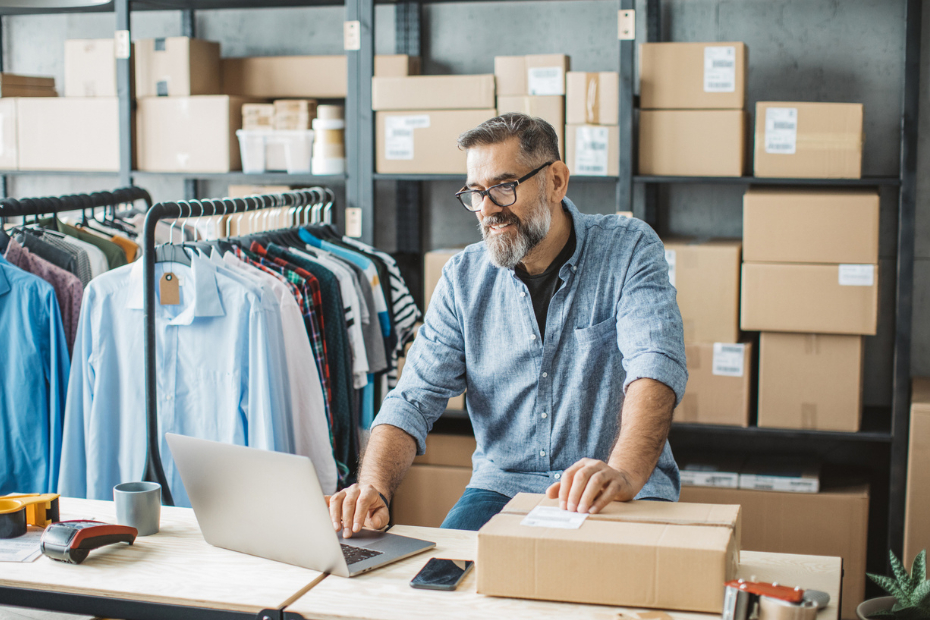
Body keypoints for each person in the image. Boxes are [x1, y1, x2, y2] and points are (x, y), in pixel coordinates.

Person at [330, 112, 687, 537]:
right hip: (501, 490)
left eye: (503, 187)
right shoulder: (463, 278)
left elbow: (655, 366)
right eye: (475, 193)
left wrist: (625, 472)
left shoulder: (628, 249)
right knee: (442, 586)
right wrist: (373, 486)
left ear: (556, 181)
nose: (487, 210)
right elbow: (413, 399)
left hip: (612, 487)